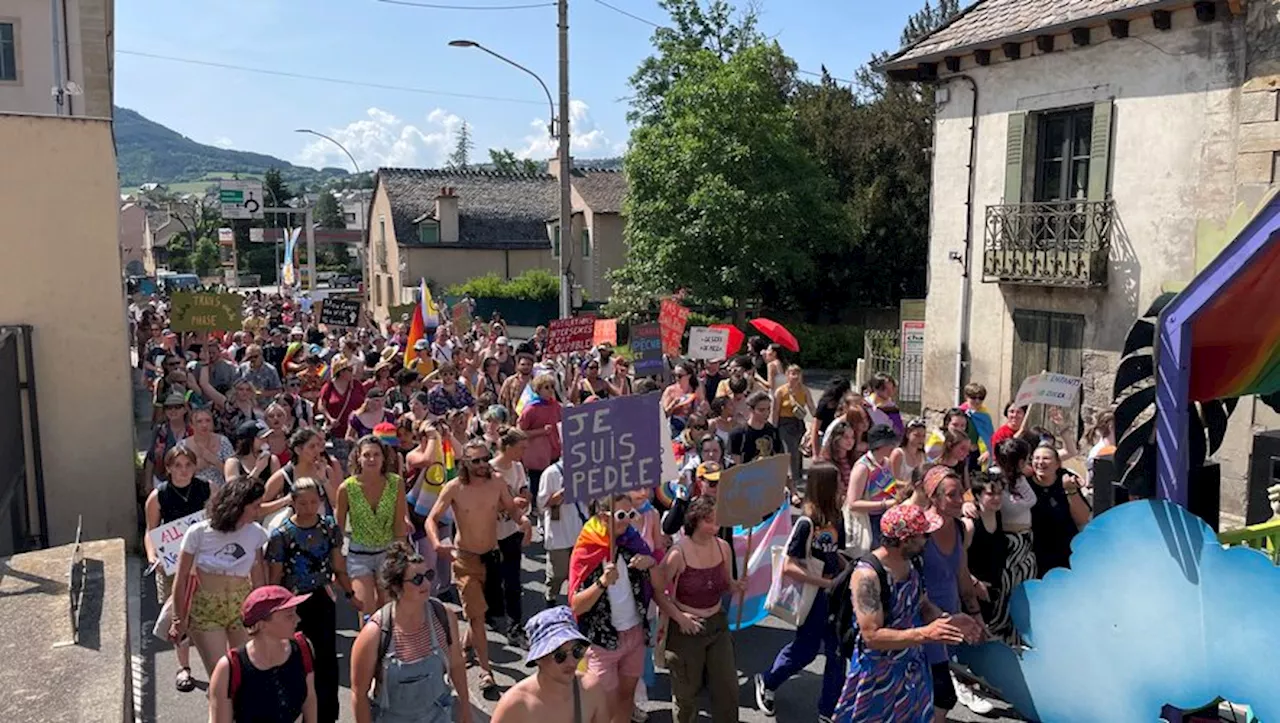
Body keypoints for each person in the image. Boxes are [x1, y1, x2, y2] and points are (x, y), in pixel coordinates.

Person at [832, 505, 983, 723]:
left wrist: (947, 620)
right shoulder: (867, 575)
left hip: (911, 667)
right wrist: (926, 634)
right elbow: (871, 636)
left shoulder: (912, 563)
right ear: (905, 539)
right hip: (879, 674)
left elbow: (922, 604)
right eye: (923, 535)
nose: (927, 540)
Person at [426, 438, 530, 694]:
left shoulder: (496, 483)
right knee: (476, 616)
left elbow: (511, 508)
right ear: (466, 463)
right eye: (477, 461)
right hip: (465, 559)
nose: (484, 464)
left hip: (492, 557)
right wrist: (437, 543)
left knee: (482, 614)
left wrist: (524, 521)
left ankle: (465, 645)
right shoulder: (454, 487)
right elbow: (432, 518)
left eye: (486, 458)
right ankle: (487, 671)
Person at [754, 465, 847, 720]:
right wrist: (823, 583)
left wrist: (847, 569)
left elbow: (835, 551)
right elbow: (789, 565)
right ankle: (768, 681)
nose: (842, 485)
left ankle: (828, 710)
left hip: (835, 596)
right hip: (815, 596)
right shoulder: (806, 522)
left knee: (837, 654)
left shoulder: (837, 517)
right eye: (837, 480)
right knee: (805, 650)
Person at [349, 542, 471, 723]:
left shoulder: (444, 616)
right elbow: (359, 694)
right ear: (396, 587)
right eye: (417, 579)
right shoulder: (374, 635)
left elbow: (456, 665)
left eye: (428, 575)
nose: (427, 583)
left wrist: (466, 712)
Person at [266, 479, 352, 723]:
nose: (309, 506)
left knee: (325, 659)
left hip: (322, 598)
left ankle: (325, 717)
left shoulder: (328, 527)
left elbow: (338, 565)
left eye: (314, 501)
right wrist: (274, 609)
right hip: (292, 603)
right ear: (292, 503)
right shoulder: (281, 534)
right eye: (302, 502)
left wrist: (350, 594)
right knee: (295, 658)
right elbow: (275, 576)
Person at [568, 493, 659, 723]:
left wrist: (652, 562)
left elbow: (658, 585)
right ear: (602, 515)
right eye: (621, 515)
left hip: (634, 633)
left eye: (631, 514)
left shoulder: (632, 542)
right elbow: (576, 605)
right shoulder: (587, 547)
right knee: (602, 707)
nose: (627, 520)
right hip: (602, 642)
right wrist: (601, 583)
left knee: (626, 698)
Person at [170, 476, 269, 678]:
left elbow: (258, 579)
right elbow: (180, 580)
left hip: (241, 607)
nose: (259, 511)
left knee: (246, 674)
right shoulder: (197, 532)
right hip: (206, 608)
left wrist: (261, 614)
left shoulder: (256, 533)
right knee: (220, 677)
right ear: (238, 505)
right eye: (255, 506)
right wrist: (178, 618)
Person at [658, 495, 743, 723]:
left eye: (717, 519)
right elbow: (658, 592)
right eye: (709, 520)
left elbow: (726, 583)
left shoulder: (723, 547)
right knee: (686, 696)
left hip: (717, 624)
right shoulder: (678, 553)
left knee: (727, 689)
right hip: (686, 629)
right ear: (695, 521)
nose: (716, 525)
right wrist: (680, 617)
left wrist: (736, 586)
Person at [918, 466, 990, 718]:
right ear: (933, 498)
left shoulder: (960, 528)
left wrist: (976, 617)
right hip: (924, 621)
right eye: (951, 495)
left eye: (961, 493)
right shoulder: (920, 531)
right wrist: (933, 614)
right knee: (942, 693)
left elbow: (961, 575)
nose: (960, 499)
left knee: (930, 694)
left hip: (952, 618)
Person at [144, 447, 210, 693]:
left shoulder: (207, 488)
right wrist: (153, 557)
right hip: (173, 564)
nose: (183, 470)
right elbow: (151, 531)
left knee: (207, 609)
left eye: (188, 465)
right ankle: (184, 667)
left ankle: (219, 665)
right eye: (178, 465)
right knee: (178, 613)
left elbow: (221, 519)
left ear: (195, 466)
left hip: (205, 560)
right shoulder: (158, 496)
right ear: (168, 468)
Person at [207, 585, 317, 723]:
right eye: (289, 615)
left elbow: (310, 699)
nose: (298, 619)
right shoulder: (229, 668)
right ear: (262, 625)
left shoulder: (302, 648)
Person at [491, 606, 610, 722]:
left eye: (576, 651)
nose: (571, 662)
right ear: (538, 658)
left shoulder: (592, 690)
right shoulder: (515, 705)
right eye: (559, 655)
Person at [335, 436, 410, 617]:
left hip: (387, 552)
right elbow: (338, 530)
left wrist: (401, 558)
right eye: (366, 455)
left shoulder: (396, 483)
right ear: (358, 458)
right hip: (359, 555)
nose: (371, 459)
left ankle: (386, 645)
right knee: (366, 608)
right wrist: (338, 567)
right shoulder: (347, 488)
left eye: (376, 454)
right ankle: (368, 644)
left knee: (388, 610)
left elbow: (400, 524)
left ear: (383, 458)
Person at [986, 438, 1037, 640]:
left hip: (1025, 538)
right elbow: (1014, 506)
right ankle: (1001, 629)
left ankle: (1018, 632)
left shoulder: (1019, 479)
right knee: (1009, 585)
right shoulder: (996, 478)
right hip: (1010, 540)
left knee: (1024, 584)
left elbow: (1031, 498)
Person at [488, 427, 533, 646]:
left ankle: (516, 627)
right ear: (507, 447)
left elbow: (522, 489)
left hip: (512, 530)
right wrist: (508, 503)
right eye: (521, 447)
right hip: (492, 534)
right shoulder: (488, 470)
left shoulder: (517, 467)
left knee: (514, 581)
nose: (524, 452)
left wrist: (525, 497)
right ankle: (494, 616)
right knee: (495, 579)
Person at [1029, 443, 1092, 577]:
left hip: (1065, 552)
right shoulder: (1024, 484)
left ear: (1058, 464)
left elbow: (1082, 518)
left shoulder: (1067, 481)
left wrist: (1070, 490)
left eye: (1046, 458)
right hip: (1035, 554)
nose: (1040, 462)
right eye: (1036, 458)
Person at [964, 473, 1009, 642]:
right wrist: (974, 583)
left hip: (995, 590)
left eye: (999, 493)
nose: (997, 498)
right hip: (974, 593)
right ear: (977, 496)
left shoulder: (999, 515)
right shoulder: (969, 524)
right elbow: (959, 562)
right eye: (990, 494)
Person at [536, 459, 586, 607]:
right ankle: (550, 599)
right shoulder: (551, 473)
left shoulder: (586, 470)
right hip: (559, 532)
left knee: (580, 573)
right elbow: (541, 504)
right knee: (558, 573)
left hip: (581, 530)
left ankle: (578, 603)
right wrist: (560, 495)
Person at [845, 424, 901, 552]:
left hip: (885, 517)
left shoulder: (886, 462)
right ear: (880, 445)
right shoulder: (862, 468)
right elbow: (853, 503)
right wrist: (885, 504)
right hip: (869, 522)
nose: (894, 447)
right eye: (890, 443)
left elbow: (889, 486)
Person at [516, 373, 562, 516]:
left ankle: (552, 505)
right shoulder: (530, 409)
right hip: (537, 453)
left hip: (553, 449)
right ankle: (536, 507)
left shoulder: (555, 405)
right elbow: (520, 431)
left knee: (554, 478)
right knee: (537, 481)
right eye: (546, 387)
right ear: (538, 389)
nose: (550, 390)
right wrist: (541, 431)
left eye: (552, 387)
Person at [771, 363, 814, 505]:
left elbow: (813, 409)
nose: (794, 377)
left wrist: (816, 424)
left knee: (798, 452)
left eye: (797, 373)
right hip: (784, 424)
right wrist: (774, 430)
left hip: (798, 424)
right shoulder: (781, 391)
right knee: (790, 453)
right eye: (792, 373)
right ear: (787, 376)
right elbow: (775, 412)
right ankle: (793, 486)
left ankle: (793, 481)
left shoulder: (804, 391)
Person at [183, 406, 235, 489]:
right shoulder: (183, 446)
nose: (204, 425)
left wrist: (215, 461)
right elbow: (177, 475)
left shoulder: (223, 441)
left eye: (208, 421)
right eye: (199, 421)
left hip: (220, 491)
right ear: (191, 425)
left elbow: (233, 474)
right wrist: (195, 469)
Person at [728, 390, 784, 466]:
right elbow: (736, 466)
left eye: (768, 409)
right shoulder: (738, 434)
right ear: (751, 409)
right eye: (761, 410)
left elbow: (779, 459)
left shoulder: (773, 431)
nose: (767, 413)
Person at [225, 420, 280, 487]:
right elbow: (235, 492)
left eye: (266, 437)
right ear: (248, 440)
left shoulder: (272, 460)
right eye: (261, 437)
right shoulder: (233, 463)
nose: (265, 440)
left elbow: (277, 488)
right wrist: (257, 470)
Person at [661, 363, 699, 437]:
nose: (676, 378)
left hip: (692, 425)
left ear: (689, 376)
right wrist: (673, 404)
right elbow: (664, 414)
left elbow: (703, 405)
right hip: (675, 426)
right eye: (674, 375)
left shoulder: (696, 388)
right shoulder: (670, 390)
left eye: (679, 376)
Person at [890, 418, 928, 484]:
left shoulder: (922, 456)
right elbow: (892, 480)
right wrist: (910, 485)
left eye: (923, 436)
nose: (921, 439)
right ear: (908, 434)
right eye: (917, 435)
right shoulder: (898, 454)